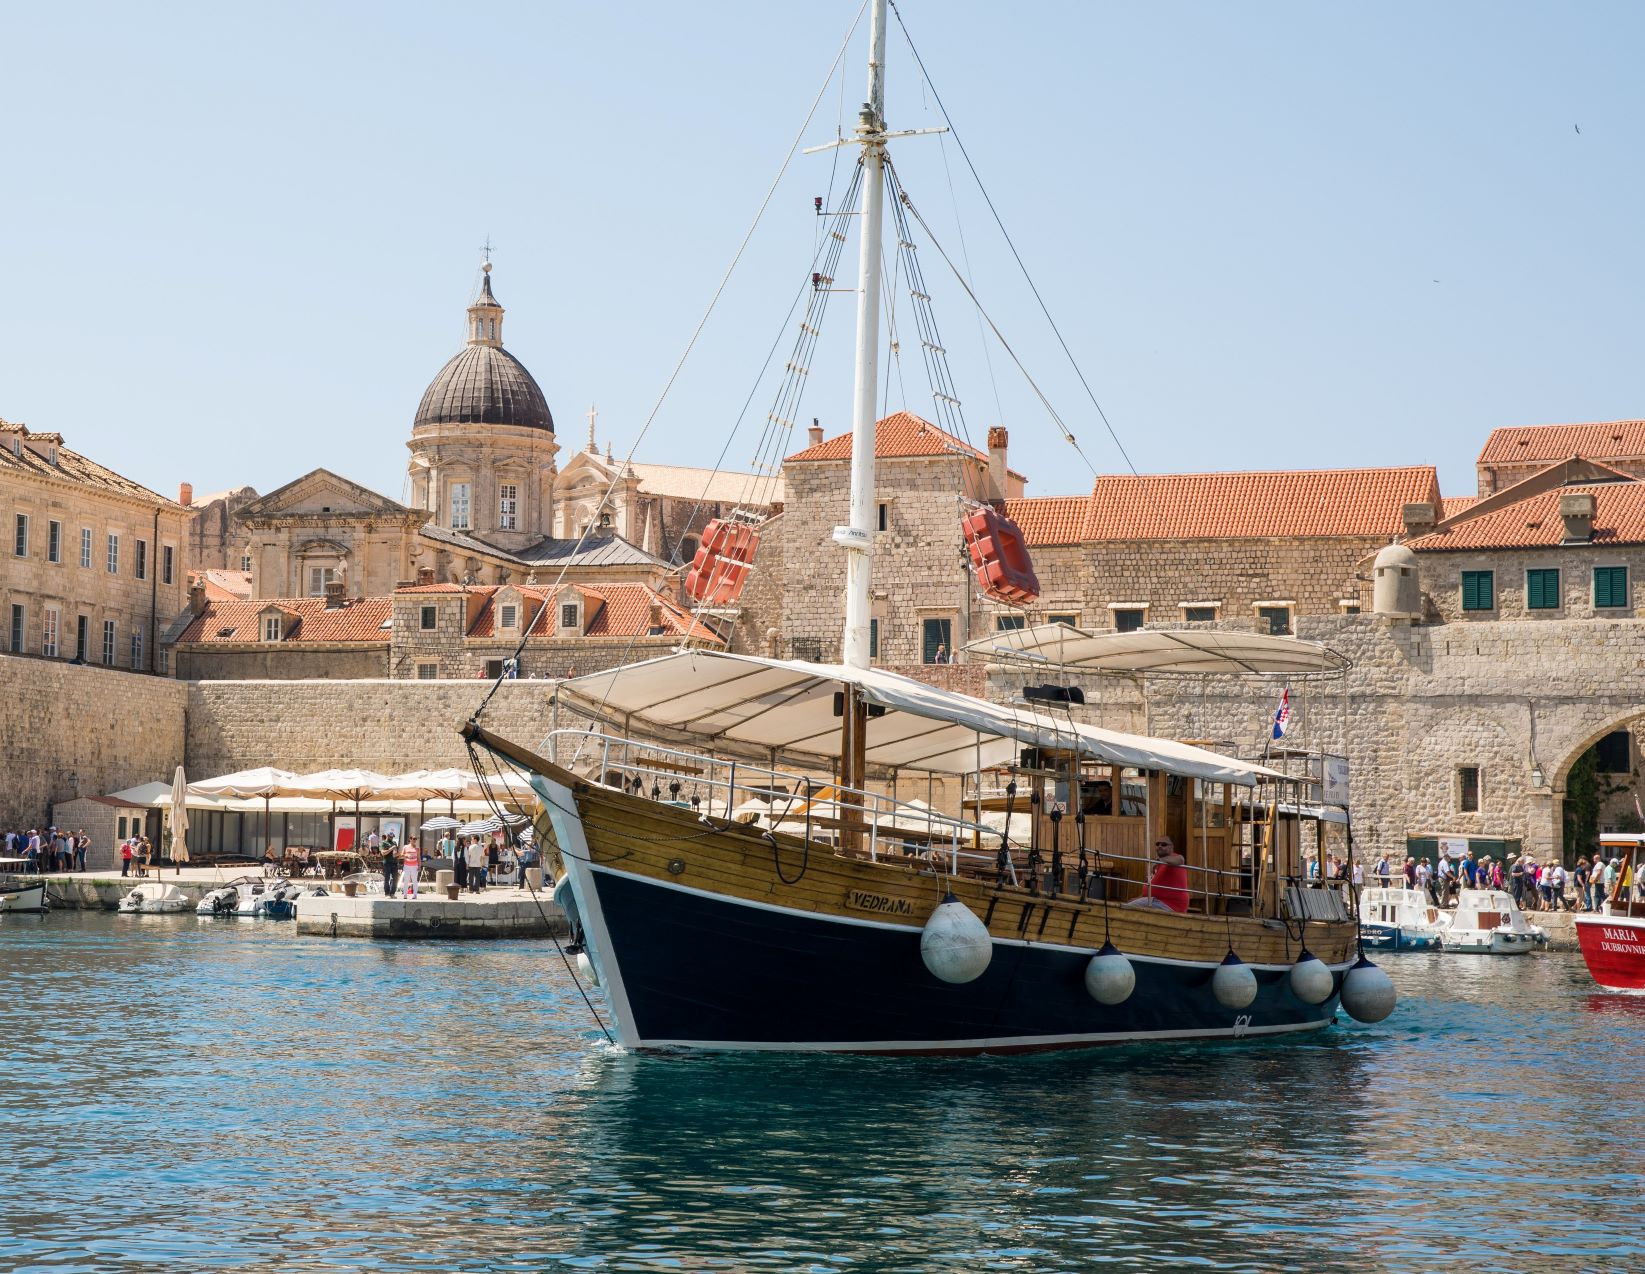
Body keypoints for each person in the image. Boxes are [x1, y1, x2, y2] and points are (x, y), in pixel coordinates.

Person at [1125, 837, 1188, 913]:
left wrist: (1160, 860)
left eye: (1164, 844)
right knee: (1127, 905)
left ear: (1171, 847)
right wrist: (1139, 898)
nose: (1160, 846)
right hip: (1156, 900)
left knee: (1126, 908)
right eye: (1157, 844)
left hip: (1169, 903)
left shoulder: (1173, 859)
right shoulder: (1158, 864)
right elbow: (1150, 886)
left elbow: (1181, 860)